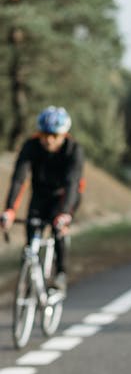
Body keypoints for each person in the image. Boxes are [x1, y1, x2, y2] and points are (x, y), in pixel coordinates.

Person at [1, 106, 84, 291]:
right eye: (45, 135)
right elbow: (19, 179)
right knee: (30, 236)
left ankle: (61, 273)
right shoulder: (31, 146)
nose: (48, 140)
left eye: (54, 136)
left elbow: (72, 183)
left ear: (64, 134)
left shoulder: (73, 150)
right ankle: (28, 279)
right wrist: (10, 209)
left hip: (65, 196)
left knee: (58, 229)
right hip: (40, 195)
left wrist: (65, 214)